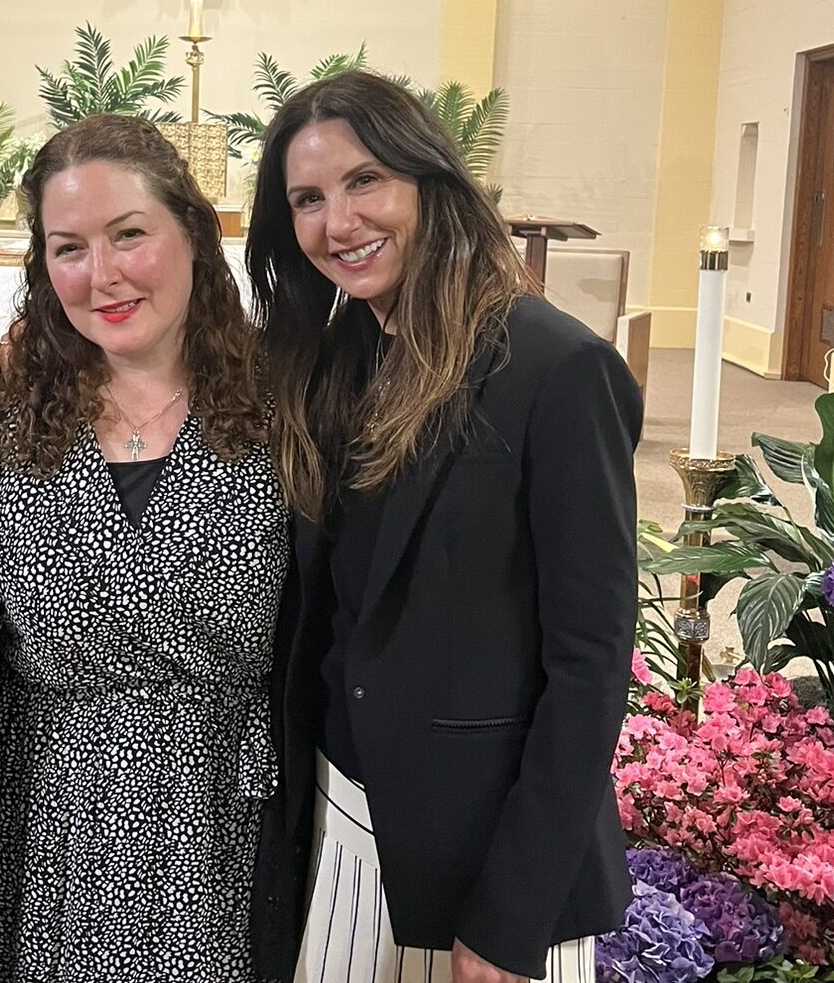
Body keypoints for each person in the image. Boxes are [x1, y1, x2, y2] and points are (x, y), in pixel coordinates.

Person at [245, 72, 642, 983]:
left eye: (366, 181)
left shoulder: (555, 368)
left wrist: (509, 917)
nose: (339, 223)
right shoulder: (332, 362)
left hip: (486, 854)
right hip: (342, 816)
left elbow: (590, 662)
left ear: (431, 180)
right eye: (307, 199)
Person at [0, 114, 286, 983]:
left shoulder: (287, 412)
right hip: (45, 822)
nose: (101, 275)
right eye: (69, 248)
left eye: (129, 234)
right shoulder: (4, 420)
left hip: (221, 824)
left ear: (194, 234)